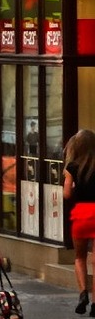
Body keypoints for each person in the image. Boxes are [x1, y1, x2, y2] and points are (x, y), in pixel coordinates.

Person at [65, 128, 95, 315]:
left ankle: (83, 292)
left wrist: (75, 188)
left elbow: (67, 194)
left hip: (81, 214)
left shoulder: (72, 167)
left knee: (80, 257)